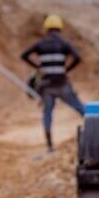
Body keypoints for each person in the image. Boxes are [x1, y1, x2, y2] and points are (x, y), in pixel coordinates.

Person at [21, 14, 85, 152]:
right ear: (59, 29)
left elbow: (24, 55)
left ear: (46, 29)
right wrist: (67, 69)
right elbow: (78, 58)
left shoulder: (40, 44)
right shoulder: (64, 44)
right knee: (81, 109)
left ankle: (50, 146)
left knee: (47, 114)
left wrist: (37, 67)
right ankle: (97, 130)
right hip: (62, 83)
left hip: (47, 85)